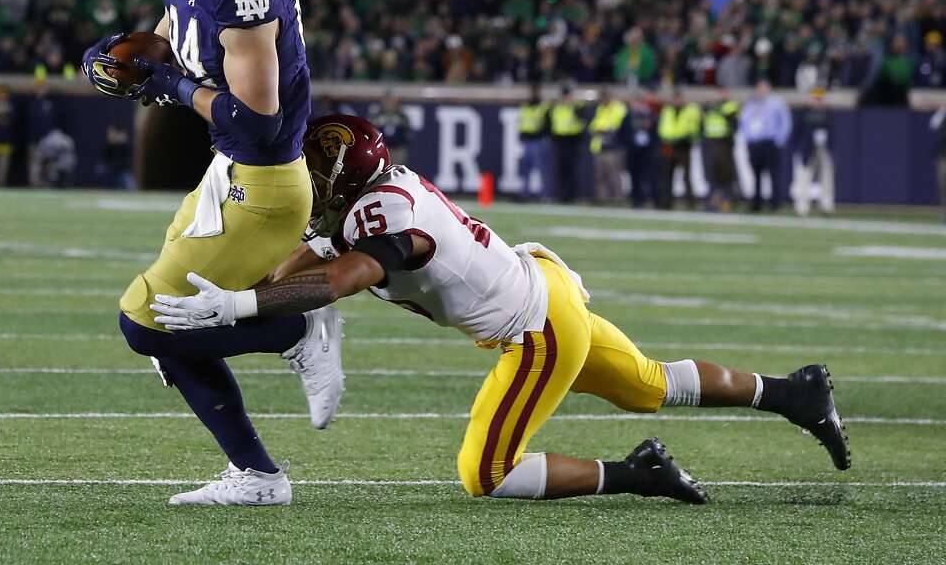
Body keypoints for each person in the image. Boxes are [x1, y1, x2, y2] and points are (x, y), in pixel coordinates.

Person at [153, 114, 851, 504]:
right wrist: (228, 309)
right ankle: (793, 393)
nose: (308, 184)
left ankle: (639, 474)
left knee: (485, 474)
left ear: (346, 179)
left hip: (537, 326)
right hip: (543, 290)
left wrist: (241, 304)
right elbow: (302, 259)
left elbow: (341, 277)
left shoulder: (387, 217)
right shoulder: (362, 202)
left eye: (317, 173)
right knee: (650, 386)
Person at [81, 0, 342, 507]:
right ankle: (256, 476)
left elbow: (255, 120)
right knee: (171, 331)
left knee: (147, 323)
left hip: (265, 183)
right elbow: (174, 36)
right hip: (228, 173)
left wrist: (173, 87)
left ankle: (298, 330)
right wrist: (131, 56)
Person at [740, 79, 792, 212]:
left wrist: (779, 140)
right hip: (755, 144)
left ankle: (775, 204)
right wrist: (747, 139)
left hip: (770, 142)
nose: (761, 91)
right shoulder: (751, 103)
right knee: (756, 175)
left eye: (764, 88)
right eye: (759, 88)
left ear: (769, 89)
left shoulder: (776, 102)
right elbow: (744, 122)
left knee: (774, 174)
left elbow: (785, 121)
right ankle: (756, 204)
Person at [792, 87, 834, 216]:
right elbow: (797, 132)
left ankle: (826, 206)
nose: (818, 101)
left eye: (820, 99)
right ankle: (802, 207)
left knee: (826, 177)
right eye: (816, 99)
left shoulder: (827, 113)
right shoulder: (804, 113)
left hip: (823, 148)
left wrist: (829, 146)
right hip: (807, 149)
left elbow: (832, 132)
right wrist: (799, 148)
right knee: (804, 177)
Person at [657, 87, 701, 209]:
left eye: (678, 98)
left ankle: (690, 204)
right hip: (669, 146)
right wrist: (666, 139)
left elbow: (693, 128)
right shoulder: (667, 110)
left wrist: (684, 138)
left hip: (683, 146)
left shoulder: (690, 110)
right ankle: (665, 204)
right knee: (667, 176)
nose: (676, 101)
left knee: (686, 176)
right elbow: (662, 127)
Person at [587, 88, 628, 204]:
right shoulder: (600, 109)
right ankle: (602, 198)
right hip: (599, 147)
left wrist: (602, 130)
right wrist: (600, 130)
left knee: (614, 174)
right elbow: (593, 127)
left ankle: (618, 198)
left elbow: (616, 126)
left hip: (612, 147)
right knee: (599, 175)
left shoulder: (618, 108)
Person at [701, 88, 739, 212]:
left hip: (724, 144)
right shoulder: (711, 107)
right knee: (712, 175)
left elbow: (734, 124)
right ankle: (712, 203)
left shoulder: (731, 107)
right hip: (711, 143)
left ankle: (727, 202)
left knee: (726, 175)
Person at [548, 82, 586, 203]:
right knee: (560, 169)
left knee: (571, 170)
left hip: (572, 141)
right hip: (560, 141)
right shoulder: (556, 107)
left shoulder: (577, 107)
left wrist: (572, 106)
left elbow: (582, 121)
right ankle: (561, 195)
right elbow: (551, 123)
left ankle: (572, 196)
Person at [516, 82, 551, 202]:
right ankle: (524, 193)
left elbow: (548, 126)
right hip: (527, 141)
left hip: (538, 141)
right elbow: (522, 122)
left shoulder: (543, 107)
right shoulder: (526, 107)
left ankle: (544, 194)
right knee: (525, 169)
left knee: (541, 169)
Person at [625, 91, 661, 208]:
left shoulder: (651, 115)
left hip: (648, 150)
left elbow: (657, 132)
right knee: (635, 176)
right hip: (634, 150)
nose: (637, 105)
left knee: (650, 176)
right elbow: (622, 132)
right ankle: (637, 200)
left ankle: (654, 200)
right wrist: (627, 144)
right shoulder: (629, 116)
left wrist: (655, 146)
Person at [372, 91, 412, 166]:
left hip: (397, 148)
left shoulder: (402, 117)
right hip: (381, 149)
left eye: (391, 100)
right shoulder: (375, 117)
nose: (388, 103)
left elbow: (407, 135)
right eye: (386, 100)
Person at [931, 105, 946, 223]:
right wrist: (942, 111)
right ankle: (944, 215)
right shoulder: (941, 115)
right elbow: (933, 124)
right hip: (943, 157)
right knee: (943, 187)